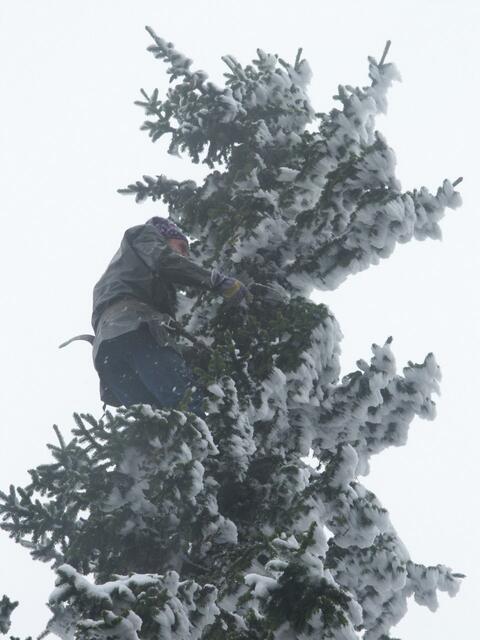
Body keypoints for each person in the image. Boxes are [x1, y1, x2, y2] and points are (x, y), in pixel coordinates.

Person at [91, 216, 248, 413]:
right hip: (135, 330)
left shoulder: (126, 279)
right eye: (181, 246)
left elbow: (148, 346)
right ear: (162, 237)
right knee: (188, 410)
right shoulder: (144, 234)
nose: (185, 254)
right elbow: (164, 260)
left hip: (108, 355)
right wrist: (215, 280)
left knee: (156, 426)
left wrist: (189, 354)